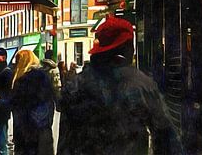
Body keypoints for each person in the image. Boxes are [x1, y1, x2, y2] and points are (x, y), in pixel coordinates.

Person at [58, 16, 181, 155]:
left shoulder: (75, 85)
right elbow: (166, 138)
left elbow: (65, 141)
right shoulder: (141, 85)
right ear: (127, 47)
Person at [9, 51, 55, 155]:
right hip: (43, 133)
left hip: (26, 135)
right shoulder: (44, 78)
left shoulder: (22, 80)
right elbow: (51, 104)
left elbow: (16, 104)